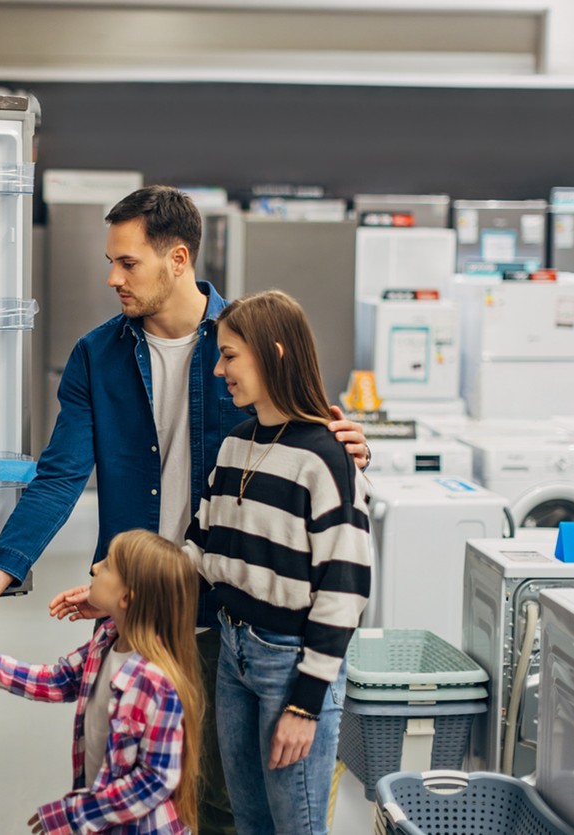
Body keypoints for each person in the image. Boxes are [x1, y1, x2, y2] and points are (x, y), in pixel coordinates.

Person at [0, 185, 370, 833]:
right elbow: (61, 474)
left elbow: (301, 437)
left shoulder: (241, 348)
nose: (111, 276)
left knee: (227, 801)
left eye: (127, 262)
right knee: (120, 786)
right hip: (134, 607)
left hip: (223, 616)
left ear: (177, 258)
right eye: (110, 261)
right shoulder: (98, 355)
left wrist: (341, 442)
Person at [182, 290, 371, 835]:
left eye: (230, 356)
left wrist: (306, 704)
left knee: (298, 826)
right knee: (250, 822)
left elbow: (346, 589)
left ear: (275, 354)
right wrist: (126, 589)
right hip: (232, 654)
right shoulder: (235, 446)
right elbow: (200, 550)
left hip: (291, 664)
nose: (220, 371)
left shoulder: (327, 457)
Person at [0, 530, 204, 834]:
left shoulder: (156, 681)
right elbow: (55, 680)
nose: (95, 567)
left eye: (109, 564)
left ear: (127, 597)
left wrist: (75, 814)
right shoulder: (106, 639)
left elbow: (154, 780)